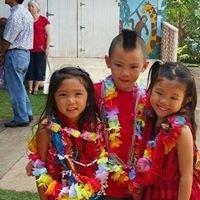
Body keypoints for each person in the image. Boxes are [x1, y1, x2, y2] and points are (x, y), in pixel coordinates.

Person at [27, 67, 110, 200]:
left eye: (78, 94)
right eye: (63, 94)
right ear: (54, 98)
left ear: (88, 98)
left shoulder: (96, 126)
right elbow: (40, 172)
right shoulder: (46, 131)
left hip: (93, 194)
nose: (71, 101)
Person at [131, 61, 200, 199]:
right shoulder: (149, 119)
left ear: (185, 100)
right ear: (151, 89)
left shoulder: (182, 131)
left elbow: (186, 177)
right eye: (159, 92)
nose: (164, 101)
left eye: (173, 98)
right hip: (151, 191)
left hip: (174, 194)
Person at [94, 29, 148, 199]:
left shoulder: (148, 100)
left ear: (145, 66)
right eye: (118, 65)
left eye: (133, 67)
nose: (125, 73)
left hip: (136, 183)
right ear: (108, 61)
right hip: (101, 181)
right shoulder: (94, 93)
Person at [0, 0, 33, 127]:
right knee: (20, 86)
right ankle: (27, 113)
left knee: (15, 88)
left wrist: (1, 53)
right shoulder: (25, 12)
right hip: (24, 53)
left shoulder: (16, 15)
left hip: (15, 53)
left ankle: (21, 118)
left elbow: (7, 39)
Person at [26, 0, 50, 95]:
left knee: (39, 68)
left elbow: (48, 35)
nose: (30, 8)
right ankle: (30, 88)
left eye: (32, 6)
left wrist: (47, 48)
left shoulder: (44, 20)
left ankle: (36, 88)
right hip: (28, 48)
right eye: (29, 6)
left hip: (40, 49)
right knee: (29, 68)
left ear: (37, 8)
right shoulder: (27, 19)